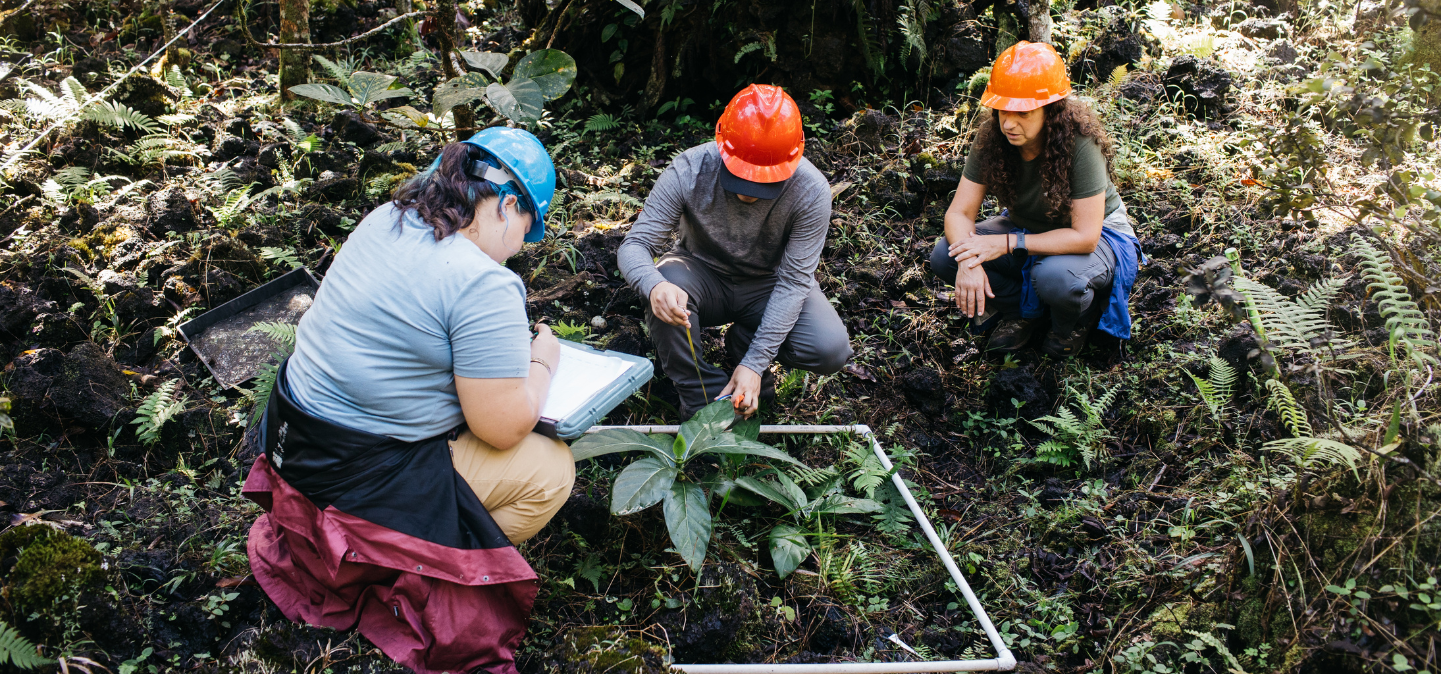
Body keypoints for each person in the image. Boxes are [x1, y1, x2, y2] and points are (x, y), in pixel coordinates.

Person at [241, 128, 572, 674]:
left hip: (292, 442)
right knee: (550, 469)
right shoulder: (482, 282)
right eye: (525, 235)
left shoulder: (388, 219)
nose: (518, 252)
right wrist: (542, 364)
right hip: (357, 477)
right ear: (508, 206)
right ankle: (406, 568)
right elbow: (503, 427)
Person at [618, 84, 853, 419]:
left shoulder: (810, 190)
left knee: (830, 348)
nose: (750, 193)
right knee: (666, 282)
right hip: (700, 276)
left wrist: (755, 362)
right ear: (722, 147)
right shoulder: (690, 170)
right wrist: (654, 285)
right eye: (741, 176)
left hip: (768, 285)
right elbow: (635, 245)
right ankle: (702, 396)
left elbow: (794, 283)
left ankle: (744, 350)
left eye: (764, 182)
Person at [930, 41, 1143, 356]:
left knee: (1055, 278)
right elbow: (959, 214)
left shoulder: (1079, 144)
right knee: (946, 254)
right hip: (1026, 230)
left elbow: (1085, 236)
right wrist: (969, 262)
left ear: (1050, 109)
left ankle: (1076, 322)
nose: (1008, 123)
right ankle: (1023, 313)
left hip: (1096, 237)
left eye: (1023, 112)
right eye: (1003, 109)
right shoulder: (992, 138)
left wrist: (1005, 244)